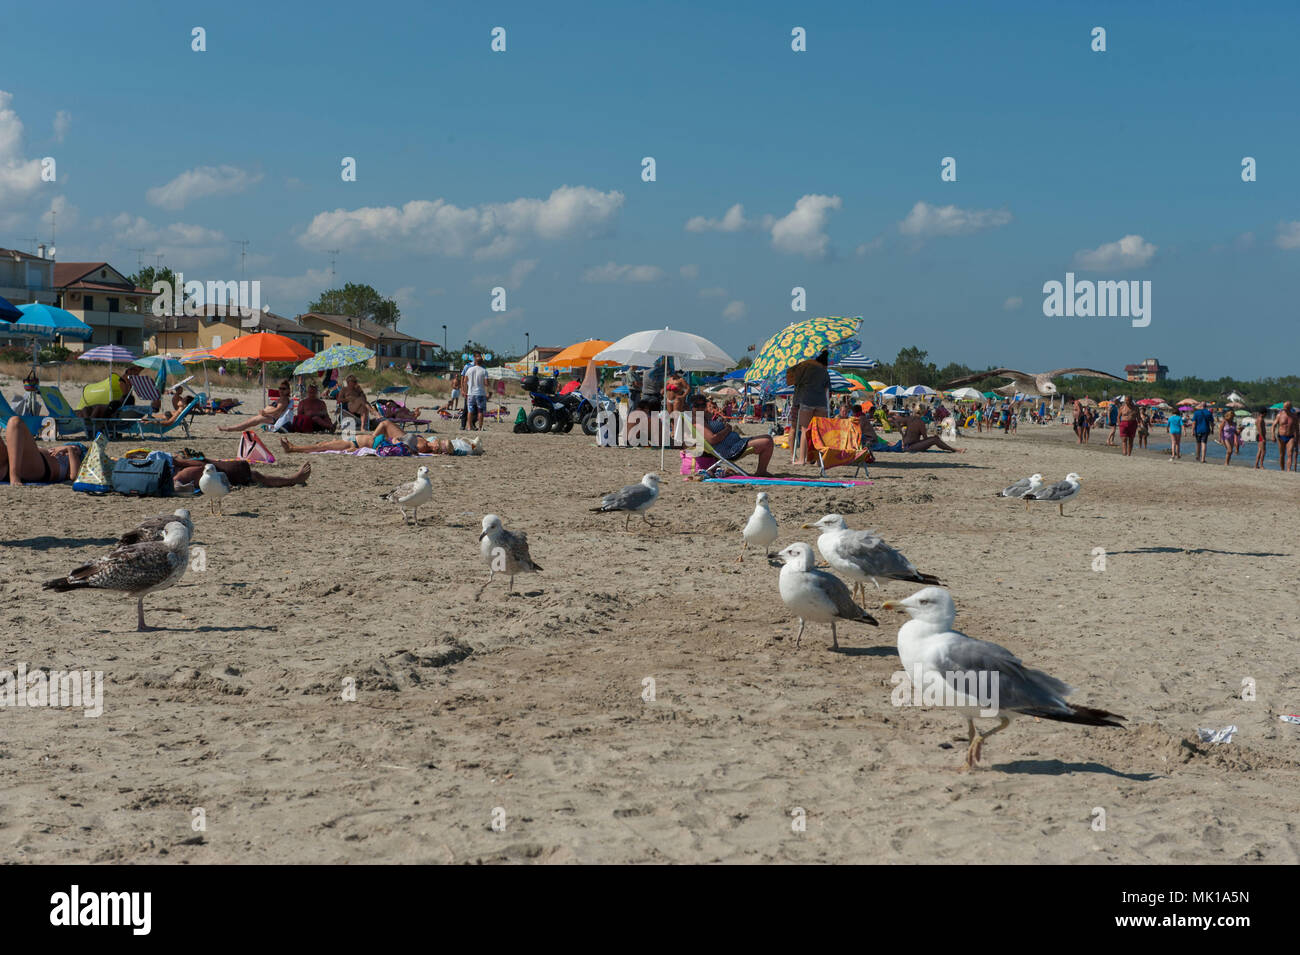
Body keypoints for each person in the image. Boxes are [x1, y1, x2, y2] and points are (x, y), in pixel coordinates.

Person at [689, 394, 775, 475]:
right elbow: (712, 439)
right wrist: (727, 429)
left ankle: (761, 471)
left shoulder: (703, 418)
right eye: (697, 405)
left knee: (767, 437)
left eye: (703, 405)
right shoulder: (698, 422)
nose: (700, 408)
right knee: (767, 441)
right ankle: (761, 472)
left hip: (734, 444)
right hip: (730, 450)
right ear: (691, 407)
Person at [1, 417, 82, 485]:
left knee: (15, 422)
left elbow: (75, 476)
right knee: (14, 422)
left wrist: (70, 450)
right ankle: (13, 474)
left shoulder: (80, 459)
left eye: (76, 449)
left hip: (42, 467)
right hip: (12, 461)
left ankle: (14, 476)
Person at [790, 351, 831, 464]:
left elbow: (795, 382)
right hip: (821, 403)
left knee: (805, 430)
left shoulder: (805, 367)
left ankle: (802, 459)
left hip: (807, 400)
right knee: (819, 432)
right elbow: (827, 388)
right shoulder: (825, 370)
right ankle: (819, 460)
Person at [173, 456, 311, 489]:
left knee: (256, 476)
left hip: (220, 471)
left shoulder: (178, 473)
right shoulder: (179, 475)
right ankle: (293, 480)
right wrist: (182, 462)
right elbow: (203, 465)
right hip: (224, 474)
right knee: (256, 476)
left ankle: (293, 479)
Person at [219, 379, 291, 432]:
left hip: (272, 418)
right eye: (280, 388)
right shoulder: (282, 398)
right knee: (249, 422)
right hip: (269, 416)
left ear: (288, 390)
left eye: (283, 389)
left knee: (249, 422)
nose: (281, 390)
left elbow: (278, 409)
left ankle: (230, 428)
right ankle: (231, 428)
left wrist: (266, 412)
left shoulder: (284, 399)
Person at [463, 352, 489, 431]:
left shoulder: (469, 369)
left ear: (475, 361)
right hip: (480, 393)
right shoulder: (484, 371)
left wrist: (465, 391)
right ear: (482, 362)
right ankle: (480, 427)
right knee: (480, 411)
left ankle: (469, 426)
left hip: (471, 393)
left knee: (470, 411)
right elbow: (486, 383)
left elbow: (465, 381)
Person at [1272, 401, 1297, 471]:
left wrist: (1297, 440)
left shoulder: (1294, 417)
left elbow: (1297, 429)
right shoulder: (1279, 415)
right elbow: (1273, 426)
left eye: (1286, 408)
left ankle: (1288, 469)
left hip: (1290, 437)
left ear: (1290, 408)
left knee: (1290, 453)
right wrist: (1273, 435)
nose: (1284, 409)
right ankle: (1282, 469)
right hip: (1281, 437)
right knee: (1282, 455)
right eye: (1284, 407)